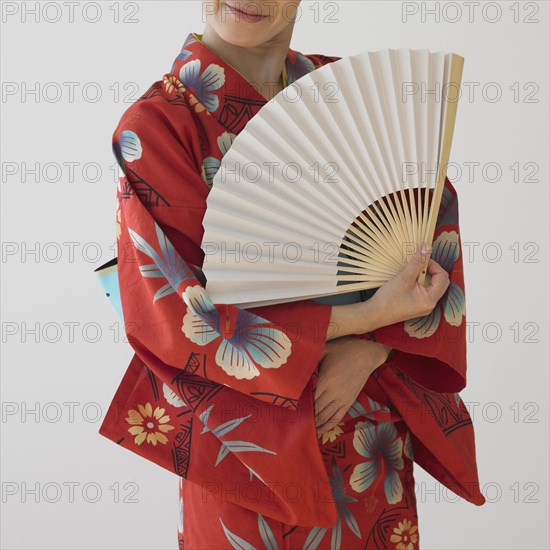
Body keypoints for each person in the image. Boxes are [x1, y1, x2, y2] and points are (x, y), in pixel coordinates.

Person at [97, 1, 486, 548]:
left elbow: (430, 229)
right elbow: (177, 316)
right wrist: (372, 317)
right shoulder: (158, 126)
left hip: (367, 417)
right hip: (247, 445)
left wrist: (375, 346)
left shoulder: (347, 92)